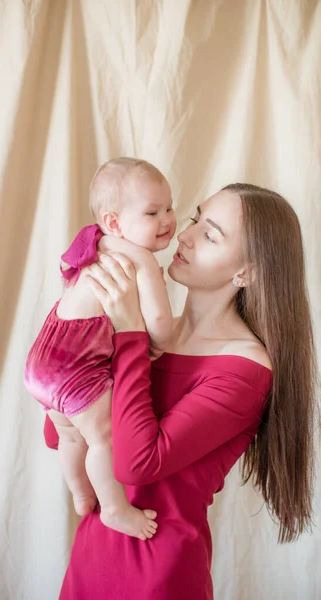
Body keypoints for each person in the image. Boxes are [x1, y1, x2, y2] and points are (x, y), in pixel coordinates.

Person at [44, 183, 317, 600]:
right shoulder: (146, 330)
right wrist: (80, 315)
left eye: (210, 235)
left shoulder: (245, 369)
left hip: (157, 575)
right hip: (91, 556)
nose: (183, 235)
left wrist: (130, 332)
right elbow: (58, 431)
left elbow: (137, 463)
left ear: (247, 272)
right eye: (194, 219)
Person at [24, 158, 177, 540]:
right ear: (113, 222)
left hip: (44, 355)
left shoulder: (93, 244)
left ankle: (80, 492)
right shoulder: (139, 259)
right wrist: (159, 344)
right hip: (73, 366)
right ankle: (113, 507)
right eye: (152, 212)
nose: (167, 220)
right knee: (103, 438)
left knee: (72, 435)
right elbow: (159, 324)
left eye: (170, 208)